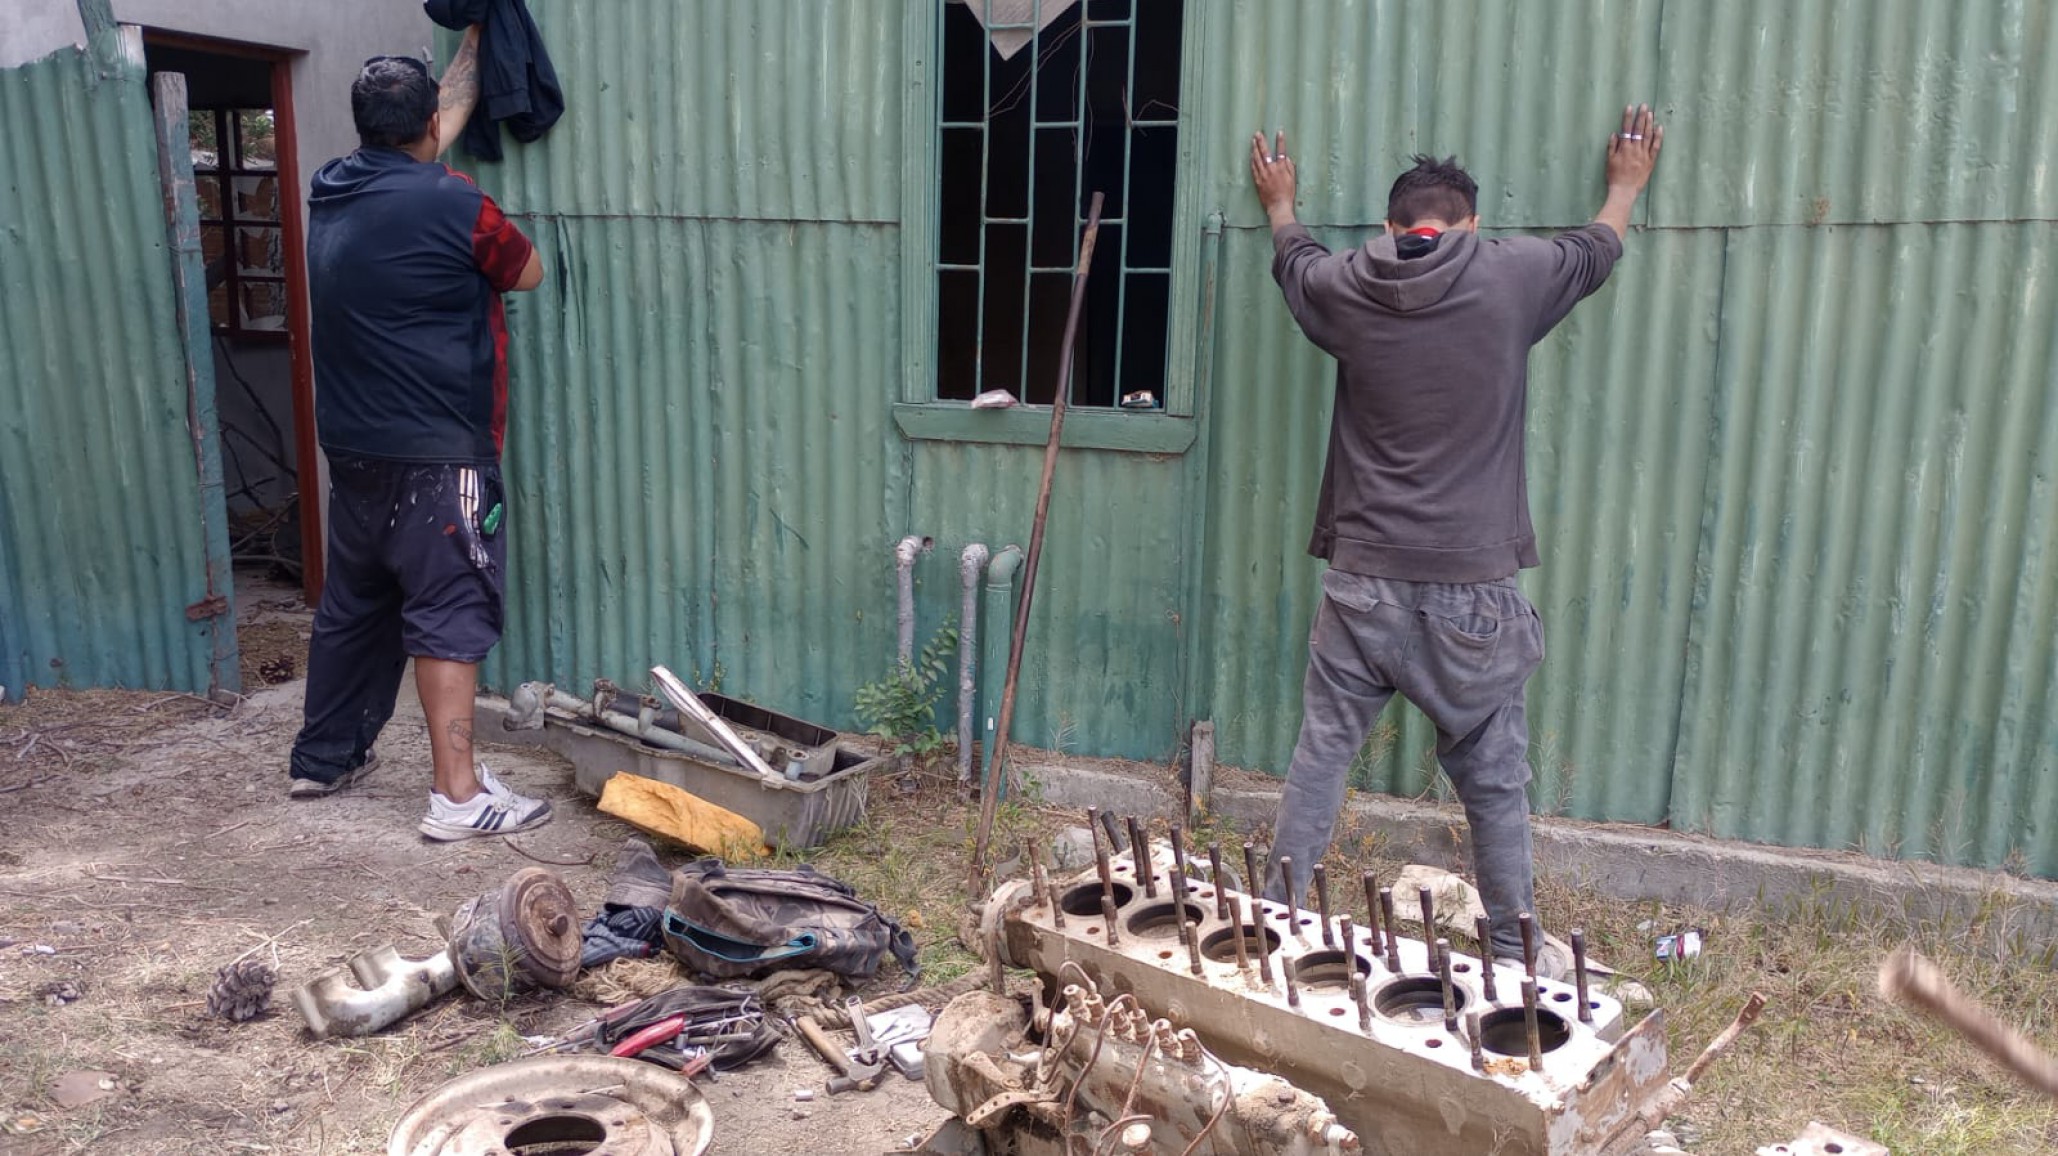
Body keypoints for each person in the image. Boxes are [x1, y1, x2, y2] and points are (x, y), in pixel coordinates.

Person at [1252, 107, 1664, 976]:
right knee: (1493, 782)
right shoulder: (1512, 275)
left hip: (1362, 581)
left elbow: (1296, 266)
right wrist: (1625, 184)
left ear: (1394, 228)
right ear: (1470, 225)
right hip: (1473, 590)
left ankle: (1274, 921)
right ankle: (1515, 950)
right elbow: (1594, 251)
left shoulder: (1346, 286)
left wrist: (1282, 205)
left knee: (1323, 751)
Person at [286, 28, 553, 842]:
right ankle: (459, 797)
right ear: (430, 128)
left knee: (356, 602)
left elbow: (425, 136)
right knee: (450, 609)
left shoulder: (331, 187)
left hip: (356, 448)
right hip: (442, 453)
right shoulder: (458, 203)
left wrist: (477, 36)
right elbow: (529, 271)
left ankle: (323, 759)